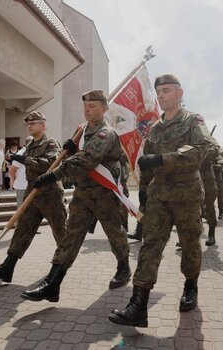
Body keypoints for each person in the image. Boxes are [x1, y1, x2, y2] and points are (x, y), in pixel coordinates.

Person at [108, 74, 211, 328]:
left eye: (167, 90)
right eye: (159, 92)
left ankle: (190, 286)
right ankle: (138, 305)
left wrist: (164, 160)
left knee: (189, 244)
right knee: (150, 245)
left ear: (179, 92)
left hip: (187, 194)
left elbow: (202, 149)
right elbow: (147, 162)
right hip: (159, 195)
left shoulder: (193, 121)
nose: (162, 96)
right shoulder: (155, 127)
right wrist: (144, 189)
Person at [20, 90, 131, 303]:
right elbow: (75, 154)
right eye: (85, 106)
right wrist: (69, 149)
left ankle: (124, 268)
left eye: (93, 105)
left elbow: (86, 160)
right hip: (83, 194)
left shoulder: (106, 133)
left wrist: (52, 175)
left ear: (104, 109)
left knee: (115, 233)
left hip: (104, 194)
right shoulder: (82, 131)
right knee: (71, 236)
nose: (87, 109)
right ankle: (52, 284)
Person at [0, 111, 67, 283]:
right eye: (28, 124)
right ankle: (7, 268)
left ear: (43, 125)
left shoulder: (50, 143)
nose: (29, 126)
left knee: (61, 233)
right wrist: (25, 158)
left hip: (50, 194)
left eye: (33, 123)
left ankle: (60, 270)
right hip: (32, 192)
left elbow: (52, 164)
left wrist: (25, 159)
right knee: (22, 230)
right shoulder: (31, 146)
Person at [200, 136, 220, 246]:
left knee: (210, 206)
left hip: (207, 179)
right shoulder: (188, 136)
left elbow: (215, 152)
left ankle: (211, 233)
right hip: (192, 177)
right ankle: (190, 237)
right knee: (191, 208)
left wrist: (197, 153)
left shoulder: (209, 138)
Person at [8, 136, 33, 207]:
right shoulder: (21, 153)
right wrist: (13, 181)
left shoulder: (33, 152)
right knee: (22, 209)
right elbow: (12, 170)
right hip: (22, 186)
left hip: (31, 186)